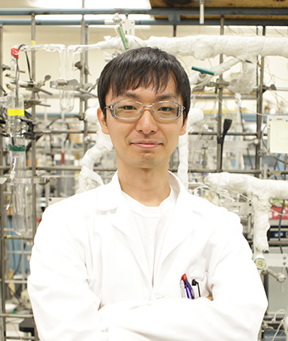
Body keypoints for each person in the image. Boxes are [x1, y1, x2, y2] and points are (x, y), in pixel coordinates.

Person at [28, 47, 267, 341]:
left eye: (165, 109)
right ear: (103, 119)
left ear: (183, 121)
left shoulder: (219, 226)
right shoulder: (64, 224)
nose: (146, 125)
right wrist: (199, 314)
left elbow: (240, 325)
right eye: (128, 108)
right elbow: (69, 335)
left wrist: (109, 316)